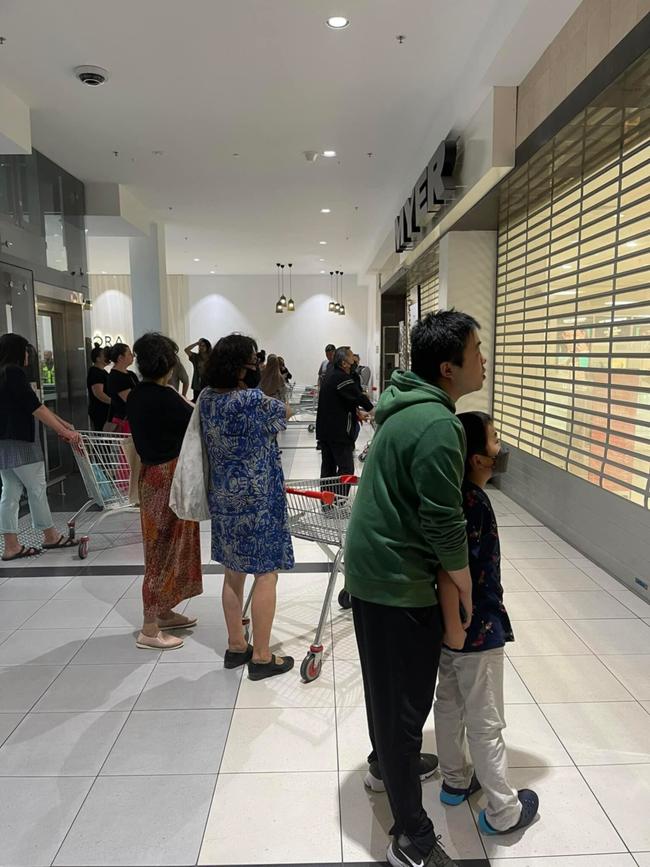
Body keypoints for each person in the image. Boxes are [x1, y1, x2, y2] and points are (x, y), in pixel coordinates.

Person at [343, 310, 486, 867]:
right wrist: (465, 584)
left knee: (388, 690)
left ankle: (385, 764)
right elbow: (442, 520)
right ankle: (412, 834)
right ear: (448, 367)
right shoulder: (437, 424)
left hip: (376, 569)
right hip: (393, 581)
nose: (484, 361)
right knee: (404, 709)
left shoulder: (410, 408)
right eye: (477, 352)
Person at [434, 411, 539, 836]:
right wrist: (461, 628)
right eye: (495, 440)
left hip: (449, 630)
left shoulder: (452, 497)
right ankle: (504, 811)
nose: (501, 448)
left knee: (449, 703)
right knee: (486, 720)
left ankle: (454, 782)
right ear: (477, 458)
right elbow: (449, 571)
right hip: (476, 630)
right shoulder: (473, 502)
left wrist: (449, 629)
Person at [200, 334, 295, 681]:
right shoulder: (254, 401)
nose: (256, 365)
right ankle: (262, 656)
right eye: (253, 361)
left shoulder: (207, 399)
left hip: (224, 497)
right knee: (266, 573)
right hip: (259, 500)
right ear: (242, 368)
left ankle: (236, 646)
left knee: (232, 573)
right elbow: (286, 411)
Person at [127, 333, 203, 650]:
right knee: (163, 551)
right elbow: (196, 422)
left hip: (150, 477)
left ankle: (164, 612)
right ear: (168, 364)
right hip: (168, 477)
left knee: (161, 547)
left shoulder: (137, 395)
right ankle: (149, 628)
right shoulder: (165, 397)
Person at [0, 332, 80, 561]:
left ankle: (11, 545)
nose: (28, 355)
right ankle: (50, 536)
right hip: (23, 444)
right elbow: (36, 408)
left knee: (10, 493)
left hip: (4, 445)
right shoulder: (14, 372)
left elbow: (36, 406)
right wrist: (63, 431)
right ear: (17, 351)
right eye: (25, 350)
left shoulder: (2, 373)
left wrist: (63, 423)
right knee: (36, 488)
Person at [315, 346, 373, 491]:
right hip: (338, 432)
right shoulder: (341, 378)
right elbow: (358, 396)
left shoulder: (331, 374)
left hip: (326, 430)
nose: (355, 360)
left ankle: (328, 502)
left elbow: (343, 400)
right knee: (346, 468)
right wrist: (375, 412)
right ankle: (338, 502)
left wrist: (357, 413)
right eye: (352, 357)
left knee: (328, 468)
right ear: (344, 363)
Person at [106, 343, 138, 433]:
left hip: (131, 419)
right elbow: (130, 399)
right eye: (129, 353)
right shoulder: (115, 377)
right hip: (123, 420)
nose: (133, 356)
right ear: (120, 357)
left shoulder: (130, 374)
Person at [87, 346, 111, 431]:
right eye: (104, 355)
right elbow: (98, 393)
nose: (107, 357)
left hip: (104, 410)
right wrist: (113, 402)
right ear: (98, 359)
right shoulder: (95, 372)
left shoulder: (102, 372)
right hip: (100, 411)